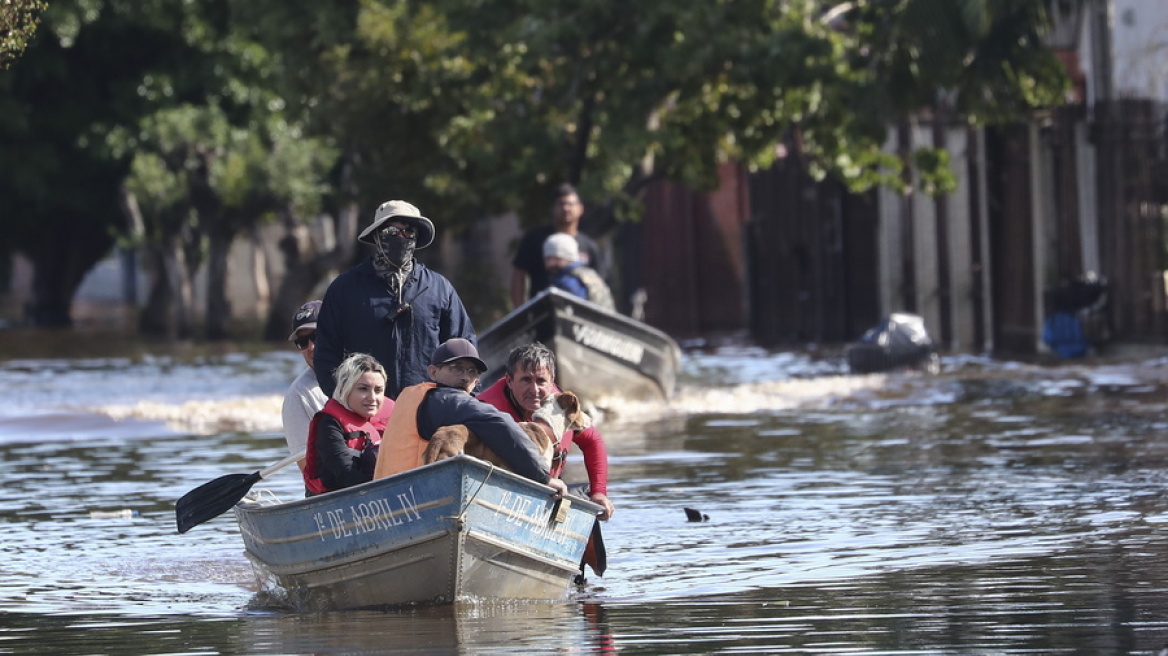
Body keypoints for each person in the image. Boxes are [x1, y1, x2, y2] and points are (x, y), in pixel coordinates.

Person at [314, 199, 476, 400]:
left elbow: (464, 351)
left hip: (427, 410)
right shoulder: (344, 288)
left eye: (408, 232)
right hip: (366, 413)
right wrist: (345, 401)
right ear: (376, 236)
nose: (401, 238)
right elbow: (326, 355)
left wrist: (456, 402)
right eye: (391, 232)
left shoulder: (439, 288)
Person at [374, 339, 568, 496]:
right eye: (456, 368)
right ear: (433, 371)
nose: (465, 378)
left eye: (472, 371)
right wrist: (543, 477)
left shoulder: (408, 396)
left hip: (384, 501)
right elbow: (499, 423)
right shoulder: (446, 398)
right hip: (416, 500)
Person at [477, 341, 614, 520]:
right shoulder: (485, 409)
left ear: (552, 382)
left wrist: (599, 492)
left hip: (551, 491)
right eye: (526, 380)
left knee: (590, 498)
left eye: (541, 381)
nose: (534, 390)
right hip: (498, 496)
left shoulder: (564, 406)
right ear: (510, 381)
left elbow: (593, 441)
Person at [302, 353, 394, 495]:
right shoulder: (328, 424)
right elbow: (345, 473)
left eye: (378, 390)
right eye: (363, 389)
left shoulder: (391, 418)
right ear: (344, 389)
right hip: (337, 501)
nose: (372, 398)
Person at [510, 183, 606, 308]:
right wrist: (520, 310)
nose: (566, 208)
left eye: (571, 204)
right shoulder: (536, 239)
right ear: (552, 208)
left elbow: (599, 284)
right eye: (561, 204)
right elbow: (519, 273)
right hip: (542, 314)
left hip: (580, 317)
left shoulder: (589, 246)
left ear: (580, 208)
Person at [281, 300, 329, 471]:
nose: (311, 347)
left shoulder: (371, 376)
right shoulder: (299, 395)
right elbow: (309, 470)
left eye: (317, 336)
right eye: (303, 342)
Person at [543, 233, 615, 310]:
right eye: (547, 259)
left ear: (566, 257)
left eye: (554, 259)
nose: (549, 264)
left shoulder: (568, 281)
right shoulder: (588, 273)